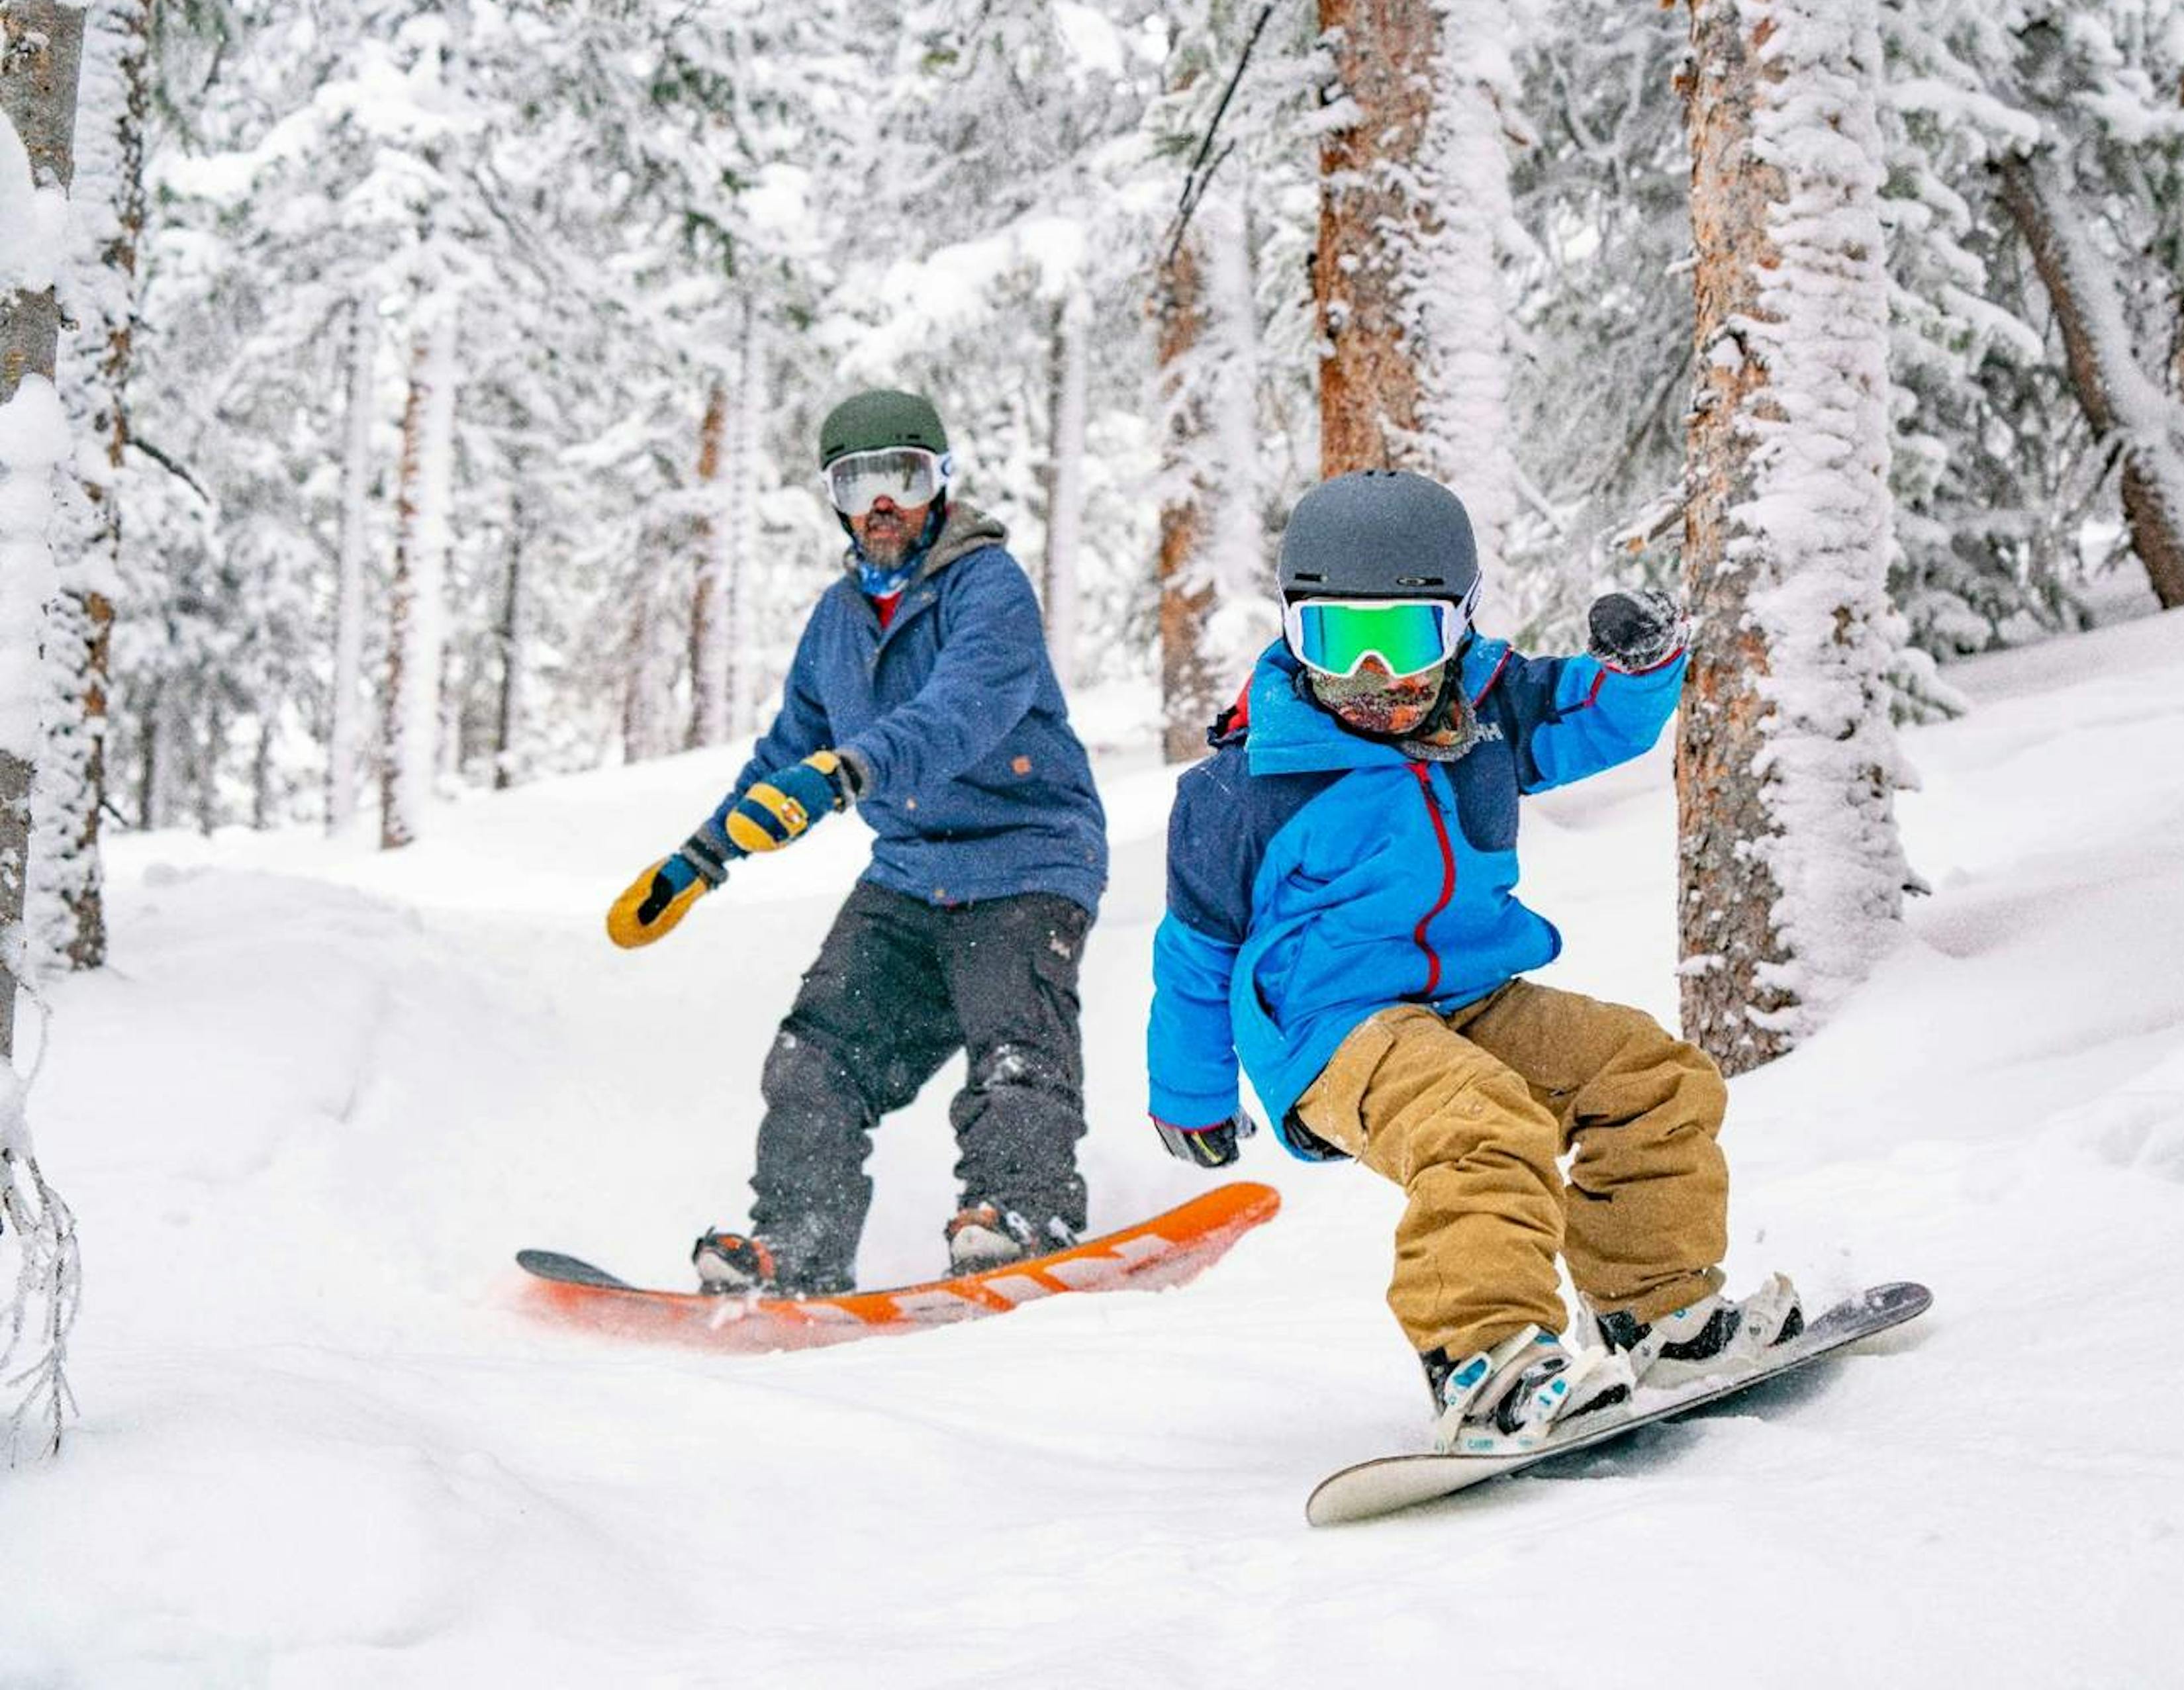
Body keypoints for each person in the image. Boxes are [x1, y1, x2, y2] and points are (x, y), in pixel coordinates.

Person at [1144, 469, 1799, 1454]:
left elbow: (1598, 719)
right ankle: (1485, 1360)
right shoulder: (1242, 789)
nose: (1371, 676)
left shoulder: (1490, 717)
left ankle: (1654, 1314)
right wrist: (1187, 1098)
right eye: (1335, 639)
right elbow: (1193, 956)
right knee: (1483, 1126)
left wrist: (1641, 668)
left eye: (1405, 639)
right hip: (1331, 1029)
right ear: (1289, 628)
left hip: (1469, 995)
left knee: (1648, 1077)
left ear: (1459, 629)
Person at [608, 389, 1108, 1296]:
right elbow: (786, 752)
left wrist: (849, 772)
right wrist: (700, 859)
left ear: (941, 484)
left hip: (1027, 858)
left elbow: (962, 712)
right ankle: (798, 1243)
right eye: (858, 482)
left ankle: (1024, 1211)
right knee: (818, 1053)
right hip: (911, 875)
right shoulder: (837, 620)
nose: (883, 503)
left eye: (904, 478)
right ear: (832, 497)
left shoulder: (988, 586)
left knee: (1012, 1050)